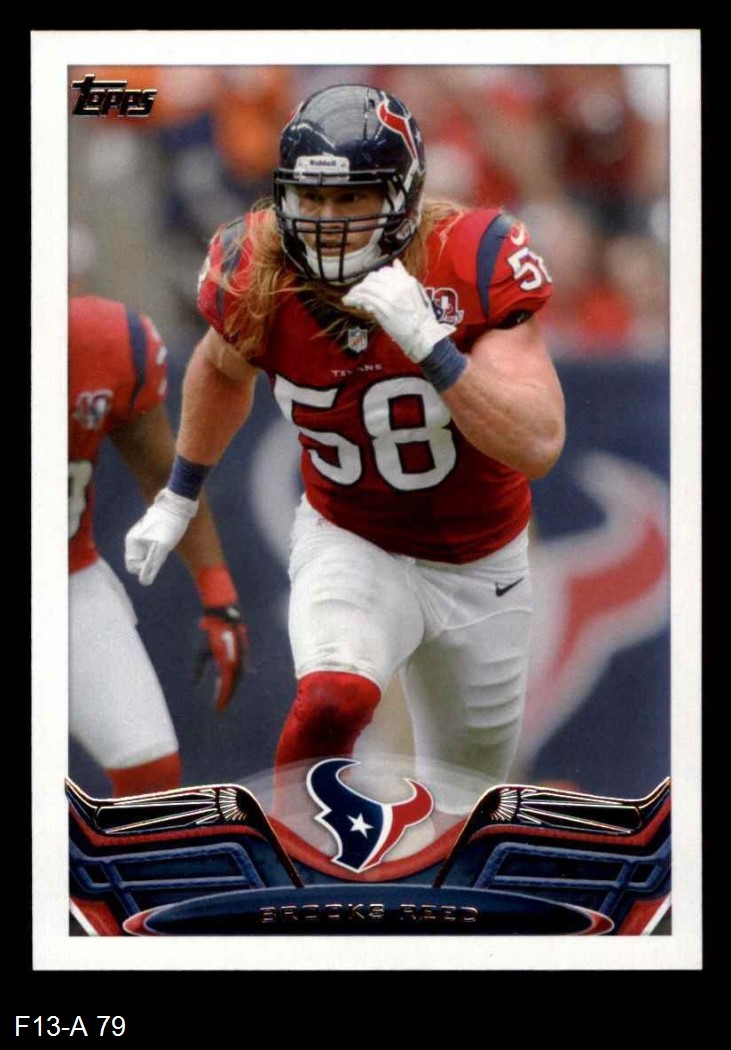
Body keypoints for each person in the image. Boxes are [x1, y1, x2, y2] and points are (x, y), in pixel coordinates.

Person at [124, 84, 565, 808]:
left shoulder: (469, 257)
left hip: (481, 564)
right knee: (332, 695)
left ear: (402, 196)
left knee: (465, 805)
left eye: (350, 198)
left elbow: (538, 441)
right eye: (312, 198)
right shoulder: (258, 263)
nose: (326, 221)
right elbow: (219, 367)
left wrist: (432, 347)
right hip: (351, 536)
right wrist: (179, 494)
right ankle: (287, 854)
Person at [69, 295, 248, 797]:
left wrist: (218, 594)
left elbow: (162, 476)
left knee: (150, 772)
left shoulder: (107, 342)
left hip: (67, 579)